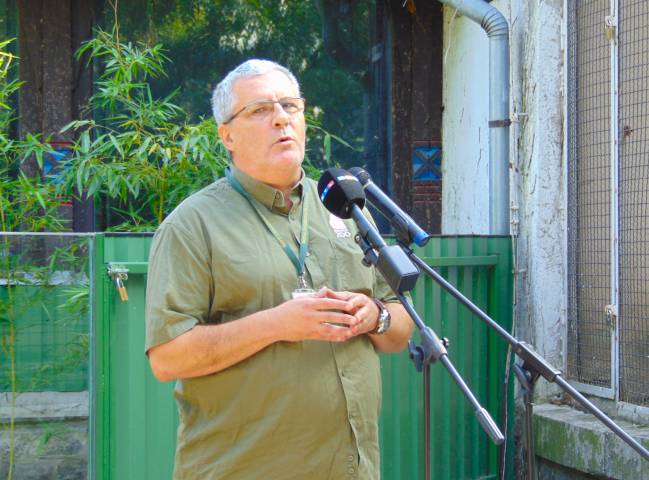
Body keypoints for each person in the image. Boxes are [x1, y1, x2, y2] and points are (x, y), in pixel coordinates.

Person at [145, 59, 413, 480]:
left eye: (290, 106)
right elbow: (167, 358)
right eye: (260, 110)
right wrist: (276, 325)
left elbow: (401, 326)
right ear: (227, 135)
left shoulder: (345, 208)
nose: (281, 119)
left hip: (353, 469)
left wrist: (374, 316)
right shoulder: (191, 225)